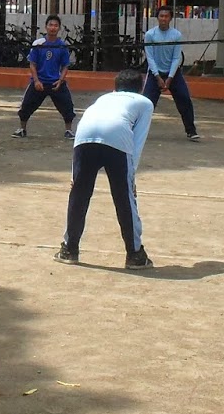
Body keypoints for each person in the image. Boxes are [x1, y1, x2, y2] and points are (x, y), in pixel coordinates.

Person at [55, 68, 155, 269]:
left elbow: (84, 130)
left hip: (84, 138)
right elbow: (137, 141)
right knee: (124, 198)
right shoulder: (144, 102)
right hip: (117, 139)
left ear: (115, 87)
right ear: (141, 87)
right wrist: (132, 177)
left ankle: (69, 249)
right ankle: (135, 254)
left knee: (79, 195)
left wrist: (74, 175)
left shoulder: (103, 99)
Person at [141, 5, 198, 141]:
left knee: (184, 99)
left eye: (166, 16)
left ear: (171, 18)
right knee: (146, 103)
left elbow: (176, 58)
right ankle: (139, 130)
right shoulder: (150, 35)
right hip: (155, 73)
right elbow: (150, 57)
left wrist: (170, 77)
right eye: (161, 16)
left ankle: (191, 131)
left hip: (173, 73)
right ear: (157, 18)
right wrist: (157, 76)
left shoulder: (176, 35)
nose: (163, 19)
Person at [13, 15, 75, 139]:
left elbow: (65, 66)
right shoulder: (38, 44)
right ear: (46, 27)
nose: (53, 28)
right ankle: (22, 129)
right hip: (39, 81)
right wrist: (36, 80)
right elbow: (32, 64)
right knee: (26, 106)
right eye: (50, 25)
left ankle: (68, 130)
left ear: (59, 28)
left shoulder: (62, 46)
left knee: (67, 106)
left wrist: (60, 80)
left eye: (56, 25)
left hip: (56, 82)